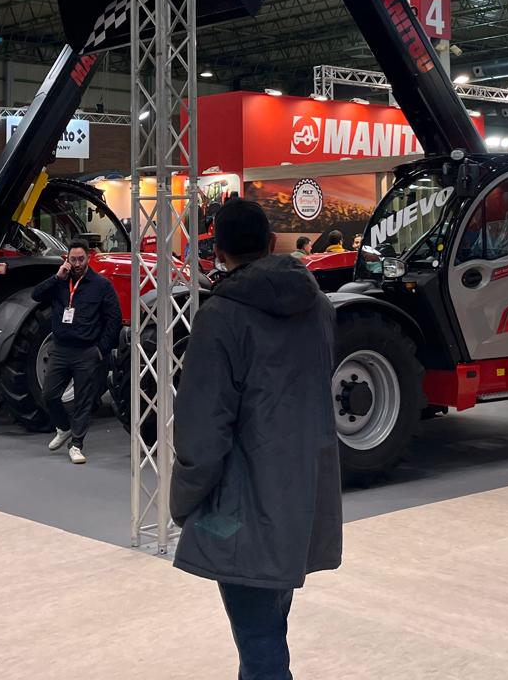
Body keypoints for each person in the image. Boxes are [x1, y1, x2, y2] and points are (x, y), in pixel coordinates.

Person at [171, 199, 341, 680]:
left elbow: (202, 430)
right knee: (268, 630)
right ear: (270, 243)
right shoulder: (318, 306)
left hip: (242, 507)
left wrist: (183, 502)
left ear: (218, 252)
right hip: (301, 496)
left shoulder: (220, 317)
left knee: (261, 645)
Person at [31, 241, 119, 464]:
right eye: (73, 259)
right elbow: (36, 294)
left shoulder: (101, 285)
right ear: (67, 260)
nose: (77, 264)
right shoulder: (60, 282)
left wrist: (101, 349)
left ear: (88, 257)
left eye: (81, 259)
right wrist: (56, 277)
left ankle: (76, 444)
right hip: (60, 349)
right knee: (49, 394)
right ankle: (63, 428)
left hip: (86, 352)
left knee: (83, 401)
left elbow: (114, 319)